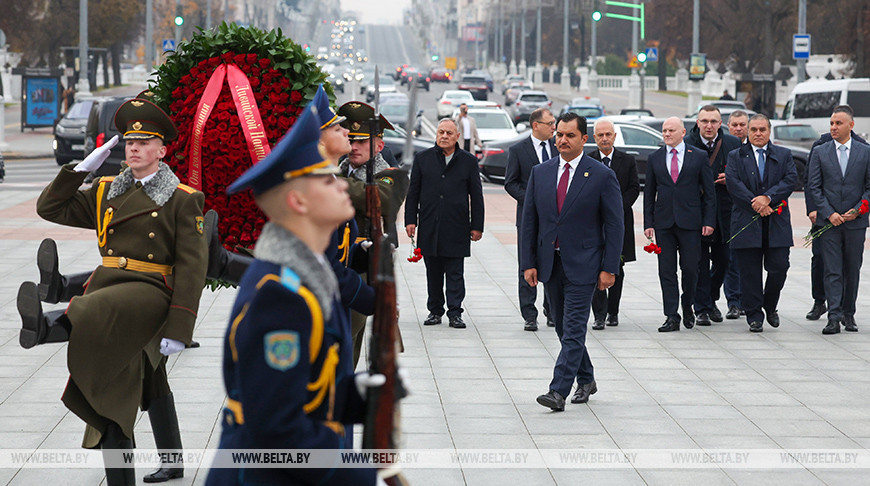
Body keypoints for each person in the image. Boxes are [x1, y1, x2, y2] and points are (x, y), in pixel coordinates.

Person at [19, 98, 208, 485]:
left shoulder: (183, 199)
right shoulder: (107, 190)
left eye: (144, 142)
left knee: (92, 309)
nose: (134, 148)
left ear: (163, 150)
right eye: (129, 142)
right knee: (148, 380)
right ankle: (173, 462)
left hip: (151, 292)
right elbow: (49, 209)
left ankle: (47, 327)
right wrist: (79, 170)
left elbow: (192, 268)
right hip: (110, 284)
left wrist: (180, 328)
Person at [205, 104, 382, 485]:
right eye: (327, 180)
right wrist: (356, 476)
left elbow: (304, 389)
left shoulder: (306, 276)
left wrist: (359, 394)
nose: (340, 185)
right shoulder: (281, 297)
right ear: (299, 202)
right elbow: (277, 431)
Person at [522, 112, 622, 410]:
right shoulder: (540, 172)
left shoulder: (601, 175)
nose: (562, 140)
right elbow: (530, 222)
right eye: (559, 135)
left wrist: (609, 268)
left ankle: (558, 391)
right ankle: (587, 377)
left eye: (569, 136)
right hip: (550, 264)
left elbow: (615, 225)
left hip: (585, 263)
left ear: (584, 139)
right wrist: (528, 263)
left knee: (575, 326)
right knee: (564, 329)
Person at [337, 101, 409, 365]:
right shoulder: (339, 168)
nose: (353, 147)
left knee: (346, 334)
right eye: (350, 140)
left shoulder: (392, 175)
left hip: (365, 266)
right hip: (338, 262)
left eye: (361, 142)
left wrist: (333, 182)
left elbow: (382, 199)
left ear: (379, 145)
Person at [405, 118, 485, 329]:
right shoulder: (423, 159)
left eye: (449, 133)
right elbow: (413, 193)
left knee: (455, 272)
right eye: (441, 132)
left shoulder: (468, 161)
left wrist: (477, 225)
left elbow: (476, 195)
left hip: (457, 226)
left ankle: (455, 312)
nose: (444, 136)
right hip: (430, 225)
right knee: (433, 272)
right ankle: (435, 310)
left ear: (457, 136)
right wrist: (410, 220)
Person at [644, 117, 716, 332]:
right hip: (664, 222)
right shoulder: (655, 158)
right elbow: (649, 193)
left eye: (671, 130)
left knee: (691, 268)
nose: (666, 134)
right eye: (664, 131)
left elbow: (709, 194)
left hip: (691, 222)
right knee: (666, 270)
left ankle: (687, 304)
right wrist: (649, 223)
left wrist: (708, 221)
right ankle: (671, 315)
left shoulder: (699, 156)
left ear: (683, 132)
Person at [726, 114, 797, 332]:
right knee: (749, 273)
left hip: (777, 223)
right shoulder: (736, 156)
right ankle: (755, 315)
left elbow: (790, 179)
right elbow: (733, 182)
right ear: (748, 131)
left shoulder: (783, 155)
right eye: (754, 129)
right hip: (746, 221)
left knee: (779, 267)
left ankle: (770, 303)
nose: (758, 134)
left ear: (769, 131)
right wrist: (756, 203)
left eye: (762, 129)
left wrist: (769, 198)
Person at [807, 105, 870, 335]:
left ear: (851, 125)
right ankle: (833, 317)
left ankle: (848, 314)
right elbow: (814, 186)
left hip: (855, 222)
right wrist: (828, 212)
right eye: (832, 123)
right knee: (832, 269)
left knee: (852, 268)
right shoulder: (820, 152)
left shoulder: (865, 152)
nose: (833, 127)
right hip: (829, 222)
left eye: (838, 123)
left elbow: (869, 188)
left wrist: (857, 210)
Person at [684, 105, 742, 326]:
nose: (709, 126)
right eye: (704, 121)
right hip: (695, 213)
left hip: (725, 212)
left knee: (724, 260)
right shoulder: (687, 144)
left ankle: (710, 299)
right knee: (698, 262)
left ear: (721, 124)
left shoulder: (733, 144)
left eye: (714, 121)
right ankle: (702, 308)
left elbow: (744, 174)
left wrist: (731, 178)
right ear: (697, 123)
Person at [504, 108, 557, 331]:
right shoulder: (518, 150)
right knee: (527, 262)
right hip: (528, 217)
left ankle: (552, 310)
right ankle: (529, 314)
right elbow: (511, 182)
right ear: (536, 125)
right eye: (550, 124)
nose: (554, 128)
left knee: (553, 262)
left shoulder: (558, 148)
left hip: (555, 218)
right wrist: (532, 200)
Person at [588, 118, 640, 330]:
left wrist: (616, 208)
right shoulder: (588, 160)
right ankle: (598, 314)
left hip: (619, 222)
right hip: (592, 223)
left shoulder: (627, 161)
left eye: (608, 134)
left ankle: (613, 311)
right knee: (593, 267)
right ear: (594, 138)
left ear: (614, 136)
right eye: (600, 135)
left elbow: (634, 188)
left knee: (616, 266)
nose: (604, 138)